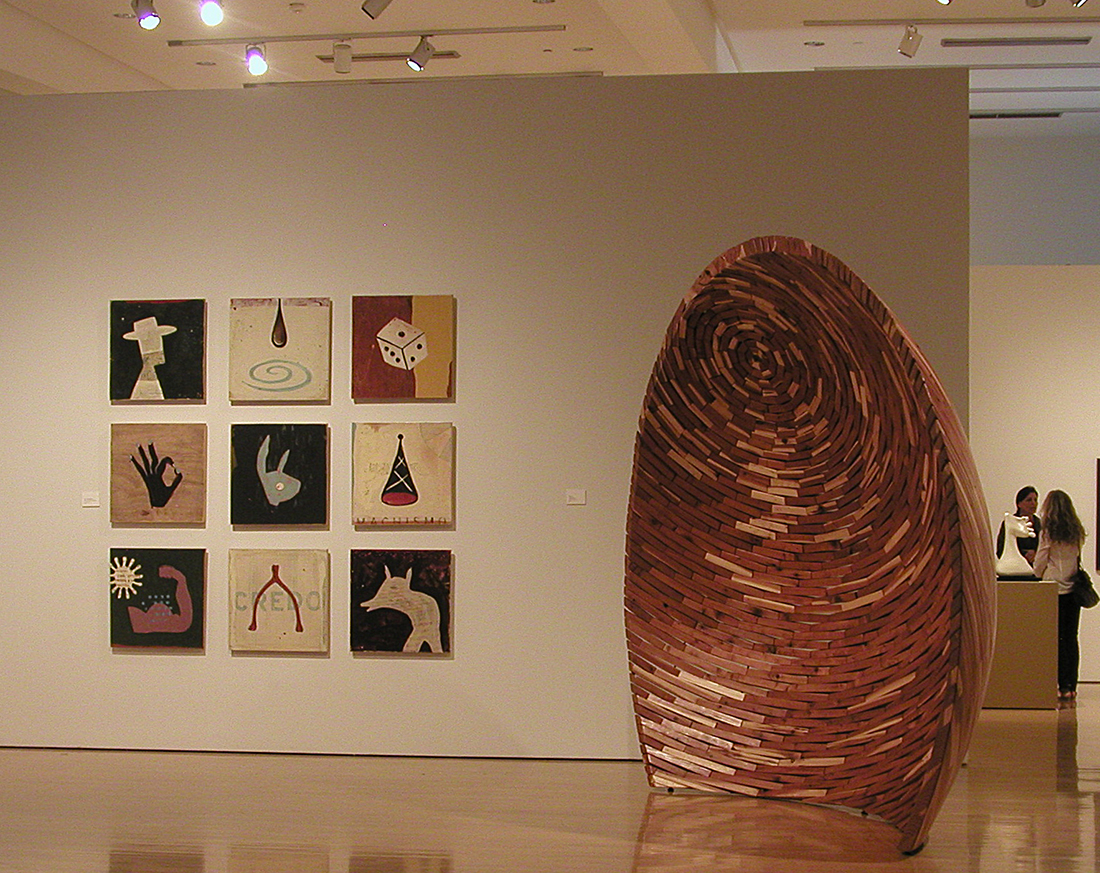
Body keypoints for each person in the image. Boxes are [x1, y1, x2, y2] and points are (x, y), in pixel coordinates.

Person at [1032, 489, 1087, 700]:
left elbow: (1041, 560)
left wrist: (1036, 575)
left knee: (1056, 638)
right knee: (1071, 638)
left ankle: (1060, 684)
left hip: (1052, 589)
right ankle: (1071, 684)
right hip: (1073, 589)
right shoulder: (1076, 531)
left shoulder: (1048, 532)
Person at [996, 485, 1041, 564]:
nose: (1033, 503)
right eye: (1029, 500)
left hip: (1037, 566)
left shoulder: (1040, 523)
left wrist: (1037, 554)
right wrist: (1024, 554)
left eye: (1035, 500)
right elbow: (1001, 549)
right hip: (1016, 566)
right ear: (1019, 504)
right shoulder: (1010, 523)